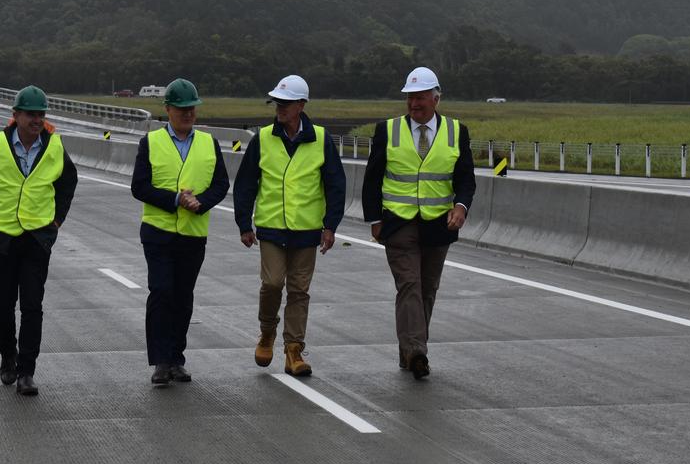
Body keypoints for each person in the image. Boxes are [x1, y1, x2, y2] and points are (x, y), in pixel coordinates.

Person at [361, 67, 476, 380]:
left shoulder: (456, 131)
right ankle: (417, 352)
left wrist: (461, 207)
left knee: (427, 289)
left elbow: (466, 178)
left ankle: (409, 350)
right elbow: (372, 177)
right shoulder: (388, 130)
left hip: (439, 224)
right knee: (409, 284)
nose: (414, 103)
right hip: (398, 223)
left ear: (436, 99)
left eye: (420, 97)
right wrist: (373, 218)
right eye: (410, 97)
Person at [0, 85, 78, 396]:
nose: (37, 120)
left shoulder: (54, 146)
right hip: (2, 237)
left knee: (32, 305)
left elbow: (68, 182)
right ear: (15, 115)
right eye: (31, 114)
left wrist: (56, 220)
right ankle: (7, 356)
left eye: (41, 114)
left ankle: (27, 371)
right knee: (4, 303)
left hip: (37, 239)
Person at [233, 74, 346, 377]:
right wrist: (244, 223)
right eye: (277, 103)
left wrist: (330, 226)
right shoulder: (263, 138)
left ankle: (294, 349)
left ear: (301, 105)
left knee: (299, 291)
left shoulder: (321, 140)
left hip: (307, 231)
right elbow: (245, 183)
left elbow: (336, 184)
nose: (279, 108)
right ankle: (267, 331)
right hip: (270, 228)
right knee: (272, 284)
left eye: (285, 103)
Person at [131, 78, 230, 386]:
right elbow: (140, 187)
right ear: (168, 110)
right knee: (161, 291)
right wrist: (175, 199)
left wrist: (200, 204)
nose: (188, 114)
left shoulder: (208, 143)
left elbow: (221, 184)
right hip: (158, 233)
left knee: (183, 296)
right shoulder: (151, 142)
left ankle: (177, 358)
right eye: (181, 109)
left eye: (192, 109)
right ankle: (160, 361)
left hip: (193, 234)